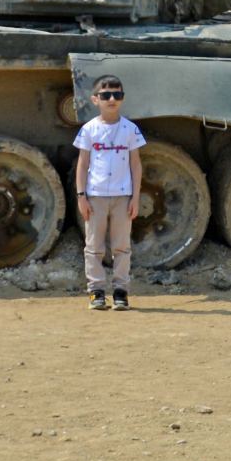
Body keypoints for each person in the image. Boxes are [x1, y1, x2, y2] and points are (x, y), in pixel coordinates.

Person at [73, 75, 145, 311]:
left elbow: (136, 164)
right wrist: (81, 196)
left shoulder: (130, 129)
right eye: (106, 95)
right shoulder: (89, 129)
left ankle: (121, 291)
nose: (112, 99)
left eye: (117, 94)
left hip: (122, 195)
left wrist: (136, 196)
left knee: (122, 246)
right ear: (95, 99)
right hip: (95, 195)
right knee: (93, 247)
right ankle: (96, 291)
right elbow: (82, 164)